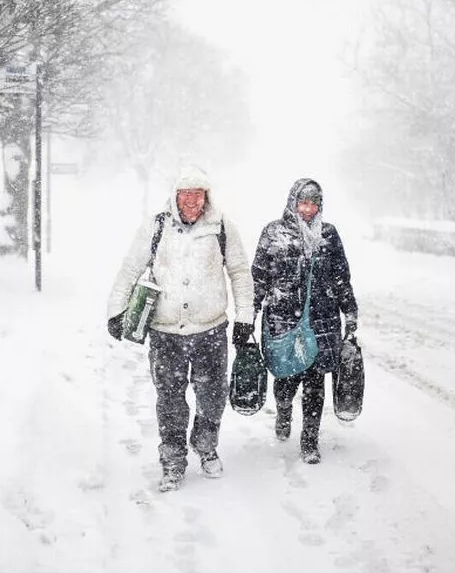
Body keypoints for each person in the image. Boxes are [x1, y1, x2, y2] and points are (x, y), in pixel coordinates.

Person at [107, 166, 255, 492]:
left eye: (198, 194)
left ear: (206, 197)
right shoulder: (157, 226)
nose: (191, 200)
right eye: (185, 193)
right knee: (170, 400)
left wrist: (245, 316)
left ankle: (205, 444)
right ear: (176, 196)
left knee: (213, 397)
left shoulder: (222, 227)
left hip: (211, 331)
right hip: (165, 334)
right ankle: (173, 461)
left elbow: (241, 273)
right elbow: (129, 268)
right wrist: (116, 311)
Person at [251, 178, 358, 464]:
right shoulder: (273, 233)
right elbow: (259, 277)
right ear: (292, 202)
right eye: (303, 203)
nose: (308, 209)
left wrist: (350, 312)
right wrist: (247, 316)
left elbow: (341, 278)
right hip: (283, 321)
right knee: (286, 378)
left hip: (322, 320)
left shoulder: (329, 235)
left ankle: (309, 440)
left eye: (314, 204)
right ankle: (283, 409)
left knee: (315, 382)